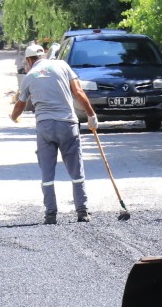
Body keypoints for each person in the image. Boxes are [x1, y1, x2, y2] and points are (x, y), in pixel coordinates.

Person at [10, 42, 99, 224]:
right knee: (76, 169)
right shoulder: (62, 65)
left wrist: (13, 117)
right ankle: (82, 211)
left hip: (45, 127)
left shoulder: (29, 76)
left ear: (29, 60)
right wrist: (91, 115)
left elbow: (20, 104)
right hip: (68, 124)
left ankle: (51, 214)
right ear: (43, 56)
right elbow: (79, 92)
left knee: (47, 172)